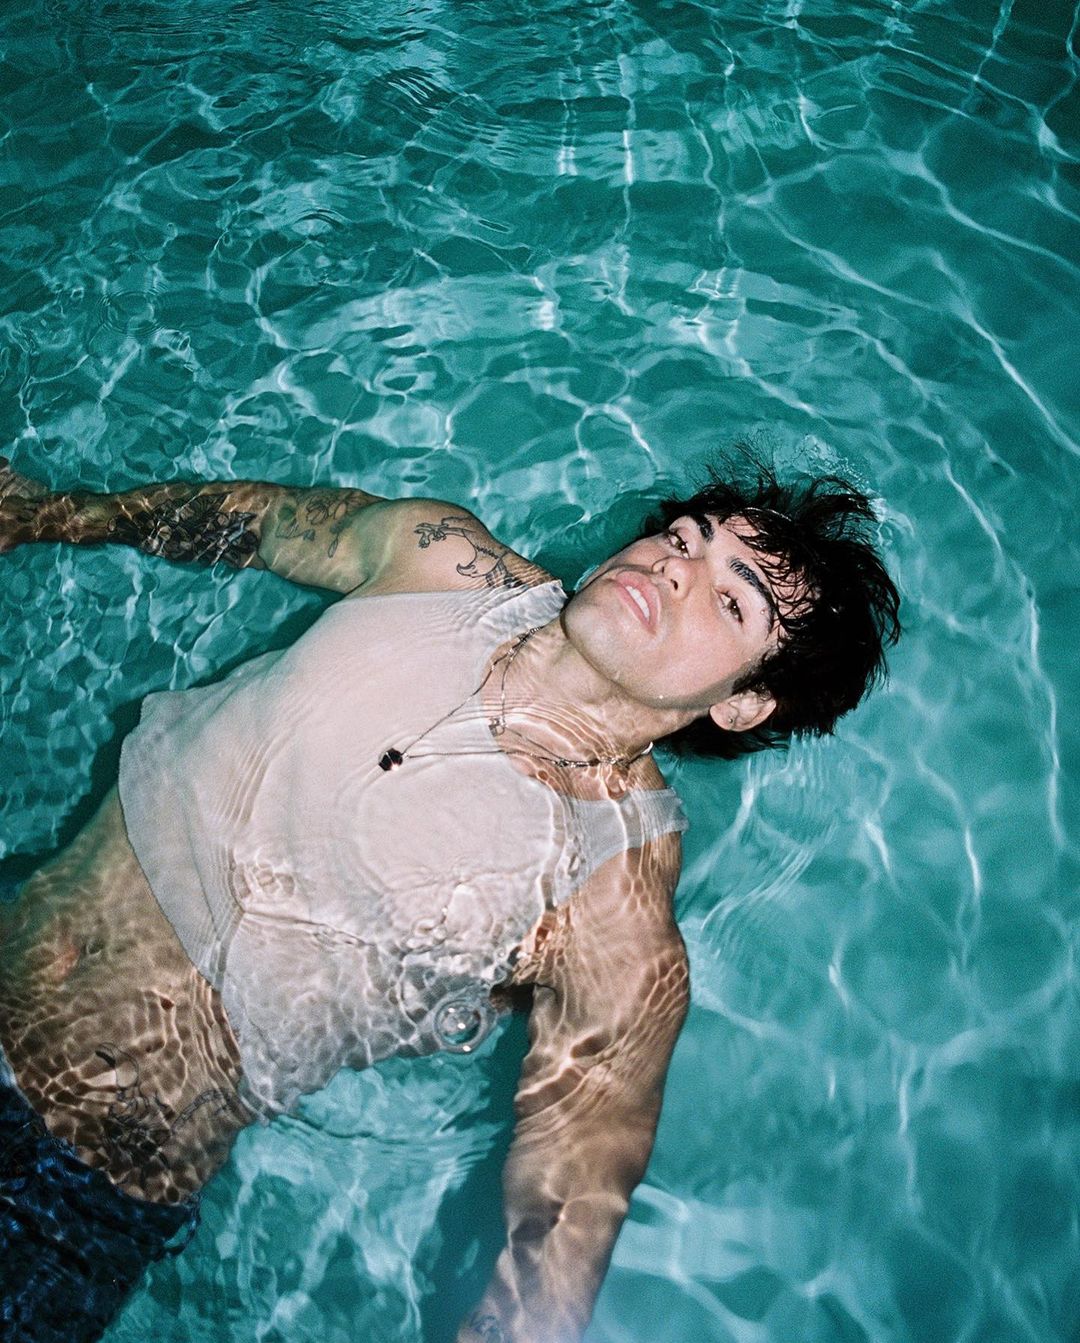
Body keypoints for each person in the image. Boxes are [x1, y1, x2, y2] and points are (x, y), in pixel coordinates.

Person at [0, 450, 900, 1343]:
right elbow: (258, 520)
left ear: (743, 705)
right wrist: (50, 515)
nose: (676, 567)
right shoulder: (439, 560)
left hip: (71, 1180)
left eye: (732, 599)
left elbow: (564, 1221)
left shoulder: (611, 904)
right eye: (687, 538)